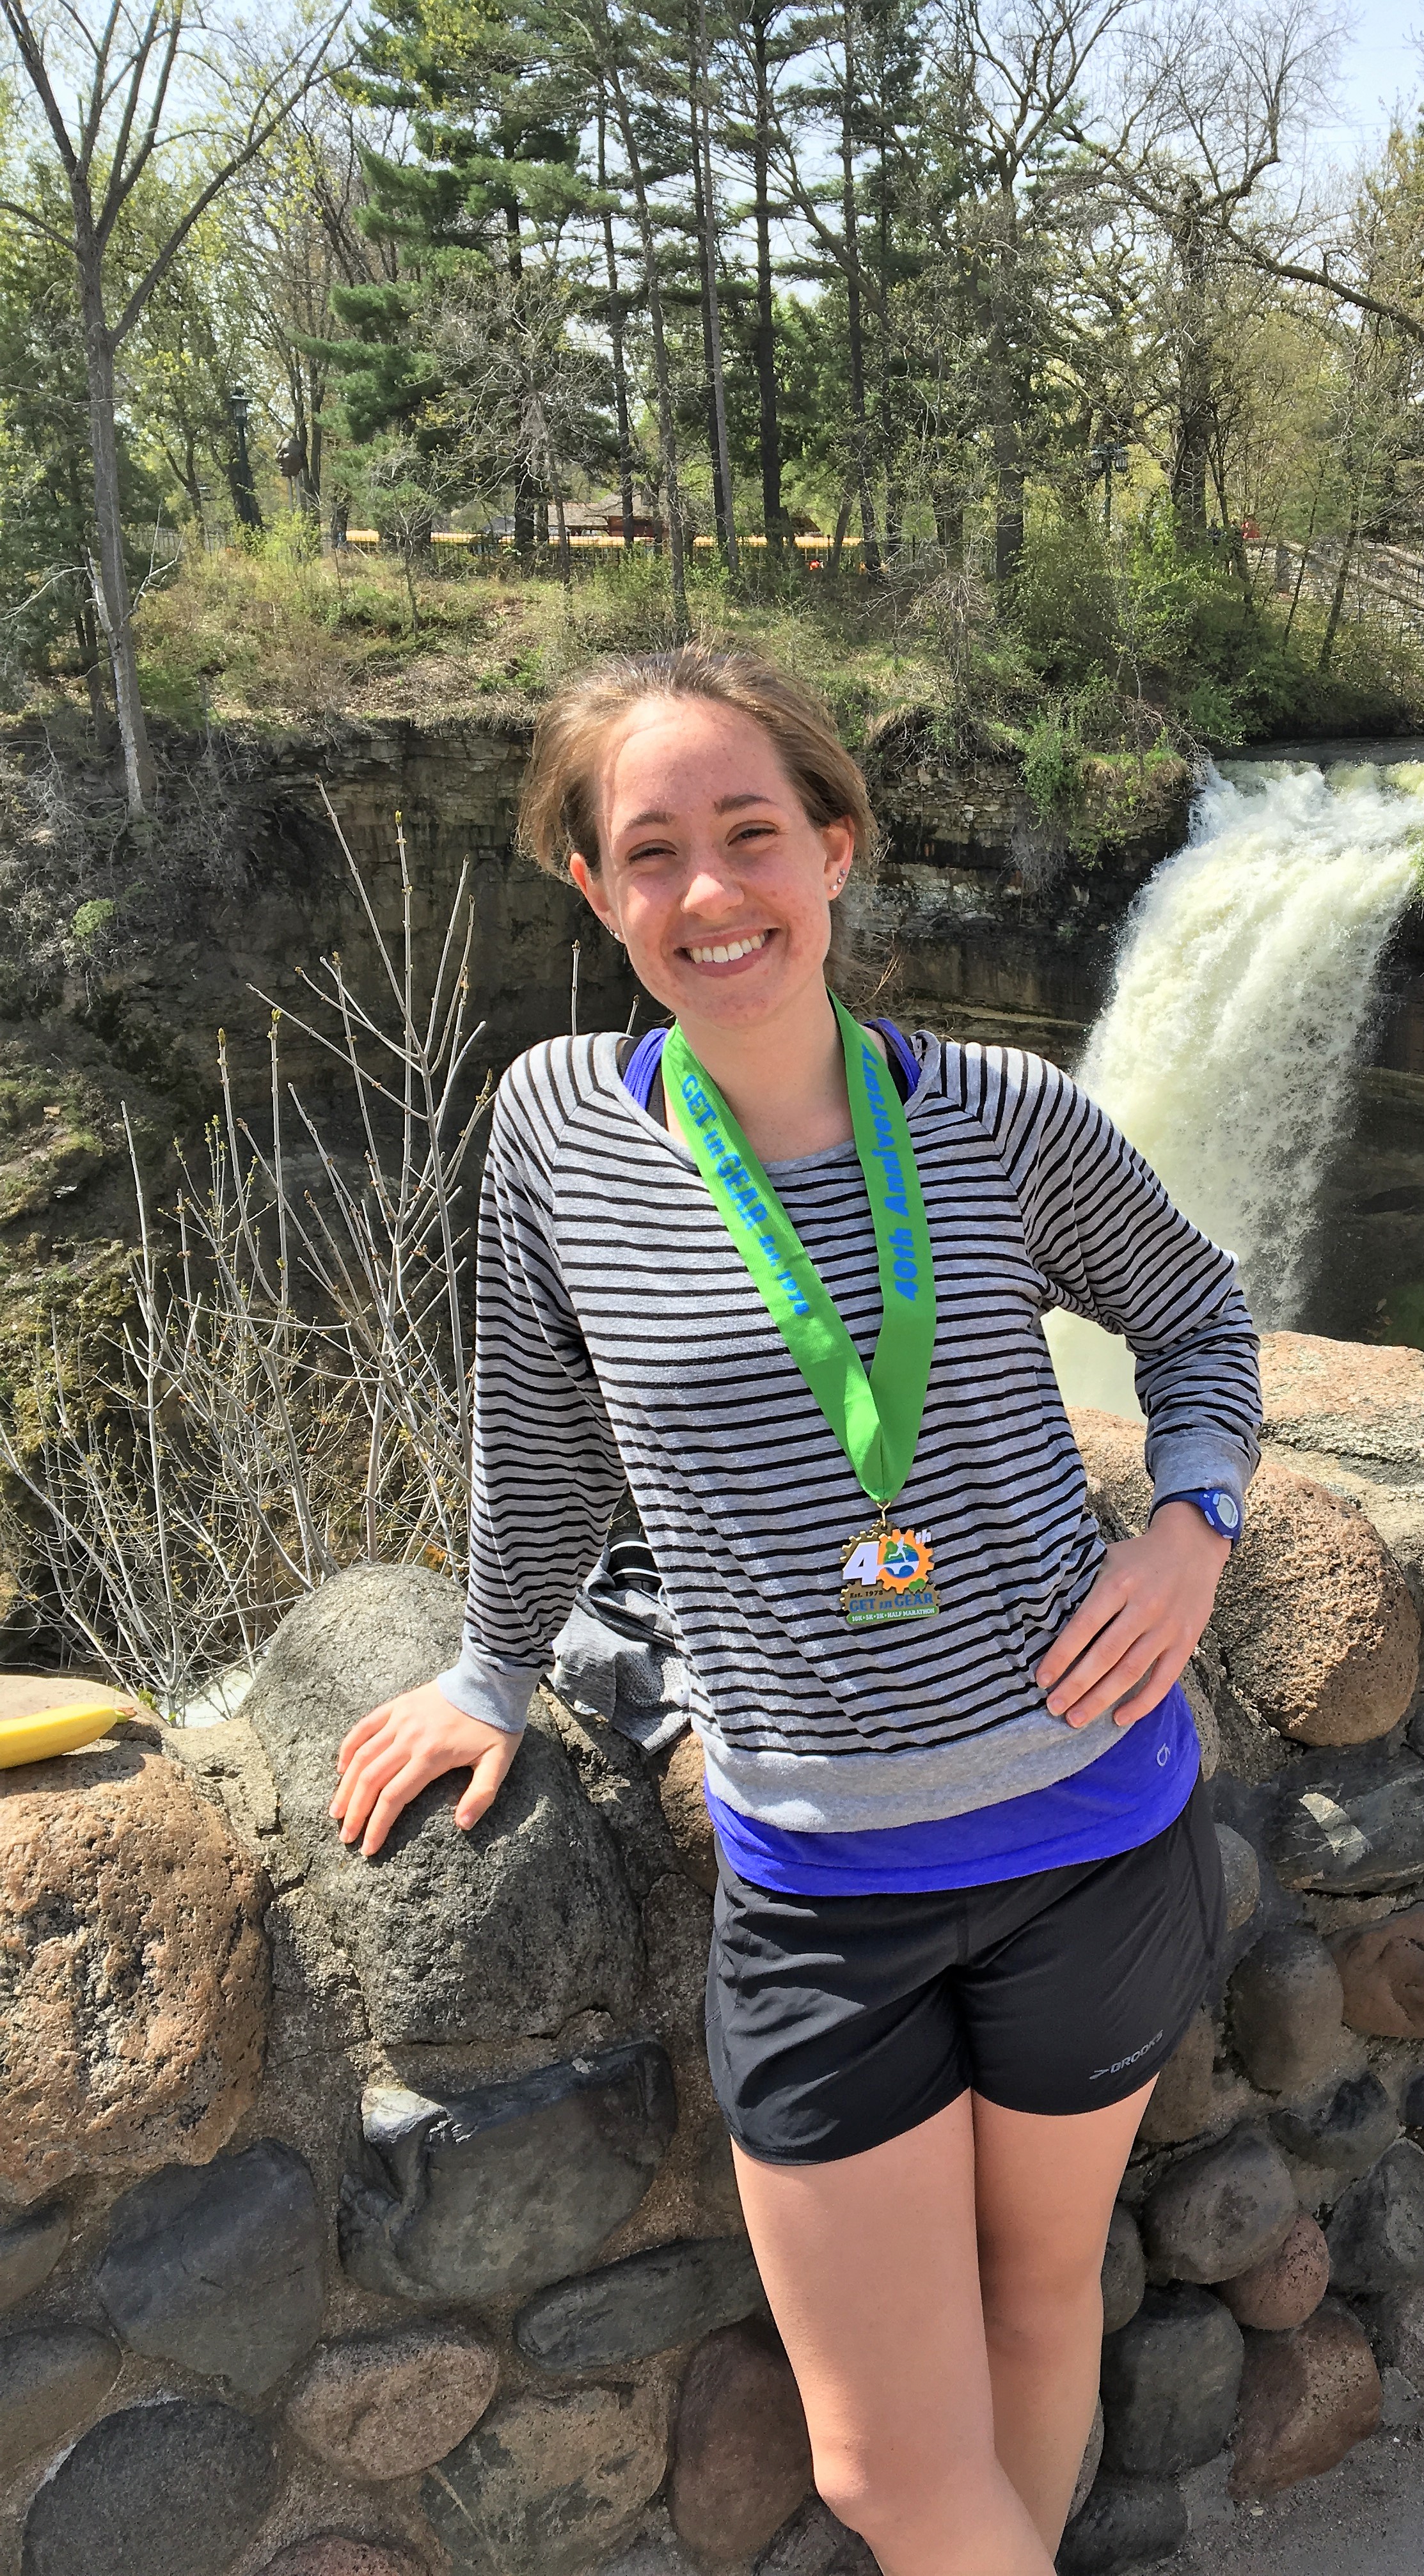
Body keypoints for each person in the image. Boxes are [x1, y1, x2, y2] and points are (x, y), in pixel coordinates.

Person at [329, 647, 1258, 2576]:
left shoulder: (999, 1116)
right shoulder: (562, 1134)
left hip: (1097, 1831)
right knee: (878, 2468)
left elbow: (1200, 1318)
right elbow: (539, 1427)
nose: (708, 892)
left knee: (1039, 2304)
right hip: (826, 1894)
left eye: (752, 834)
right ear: (593, 889)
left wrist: (1188, 1534)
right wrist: (494, 1670)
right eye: (650, 851)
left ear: (835, 850)